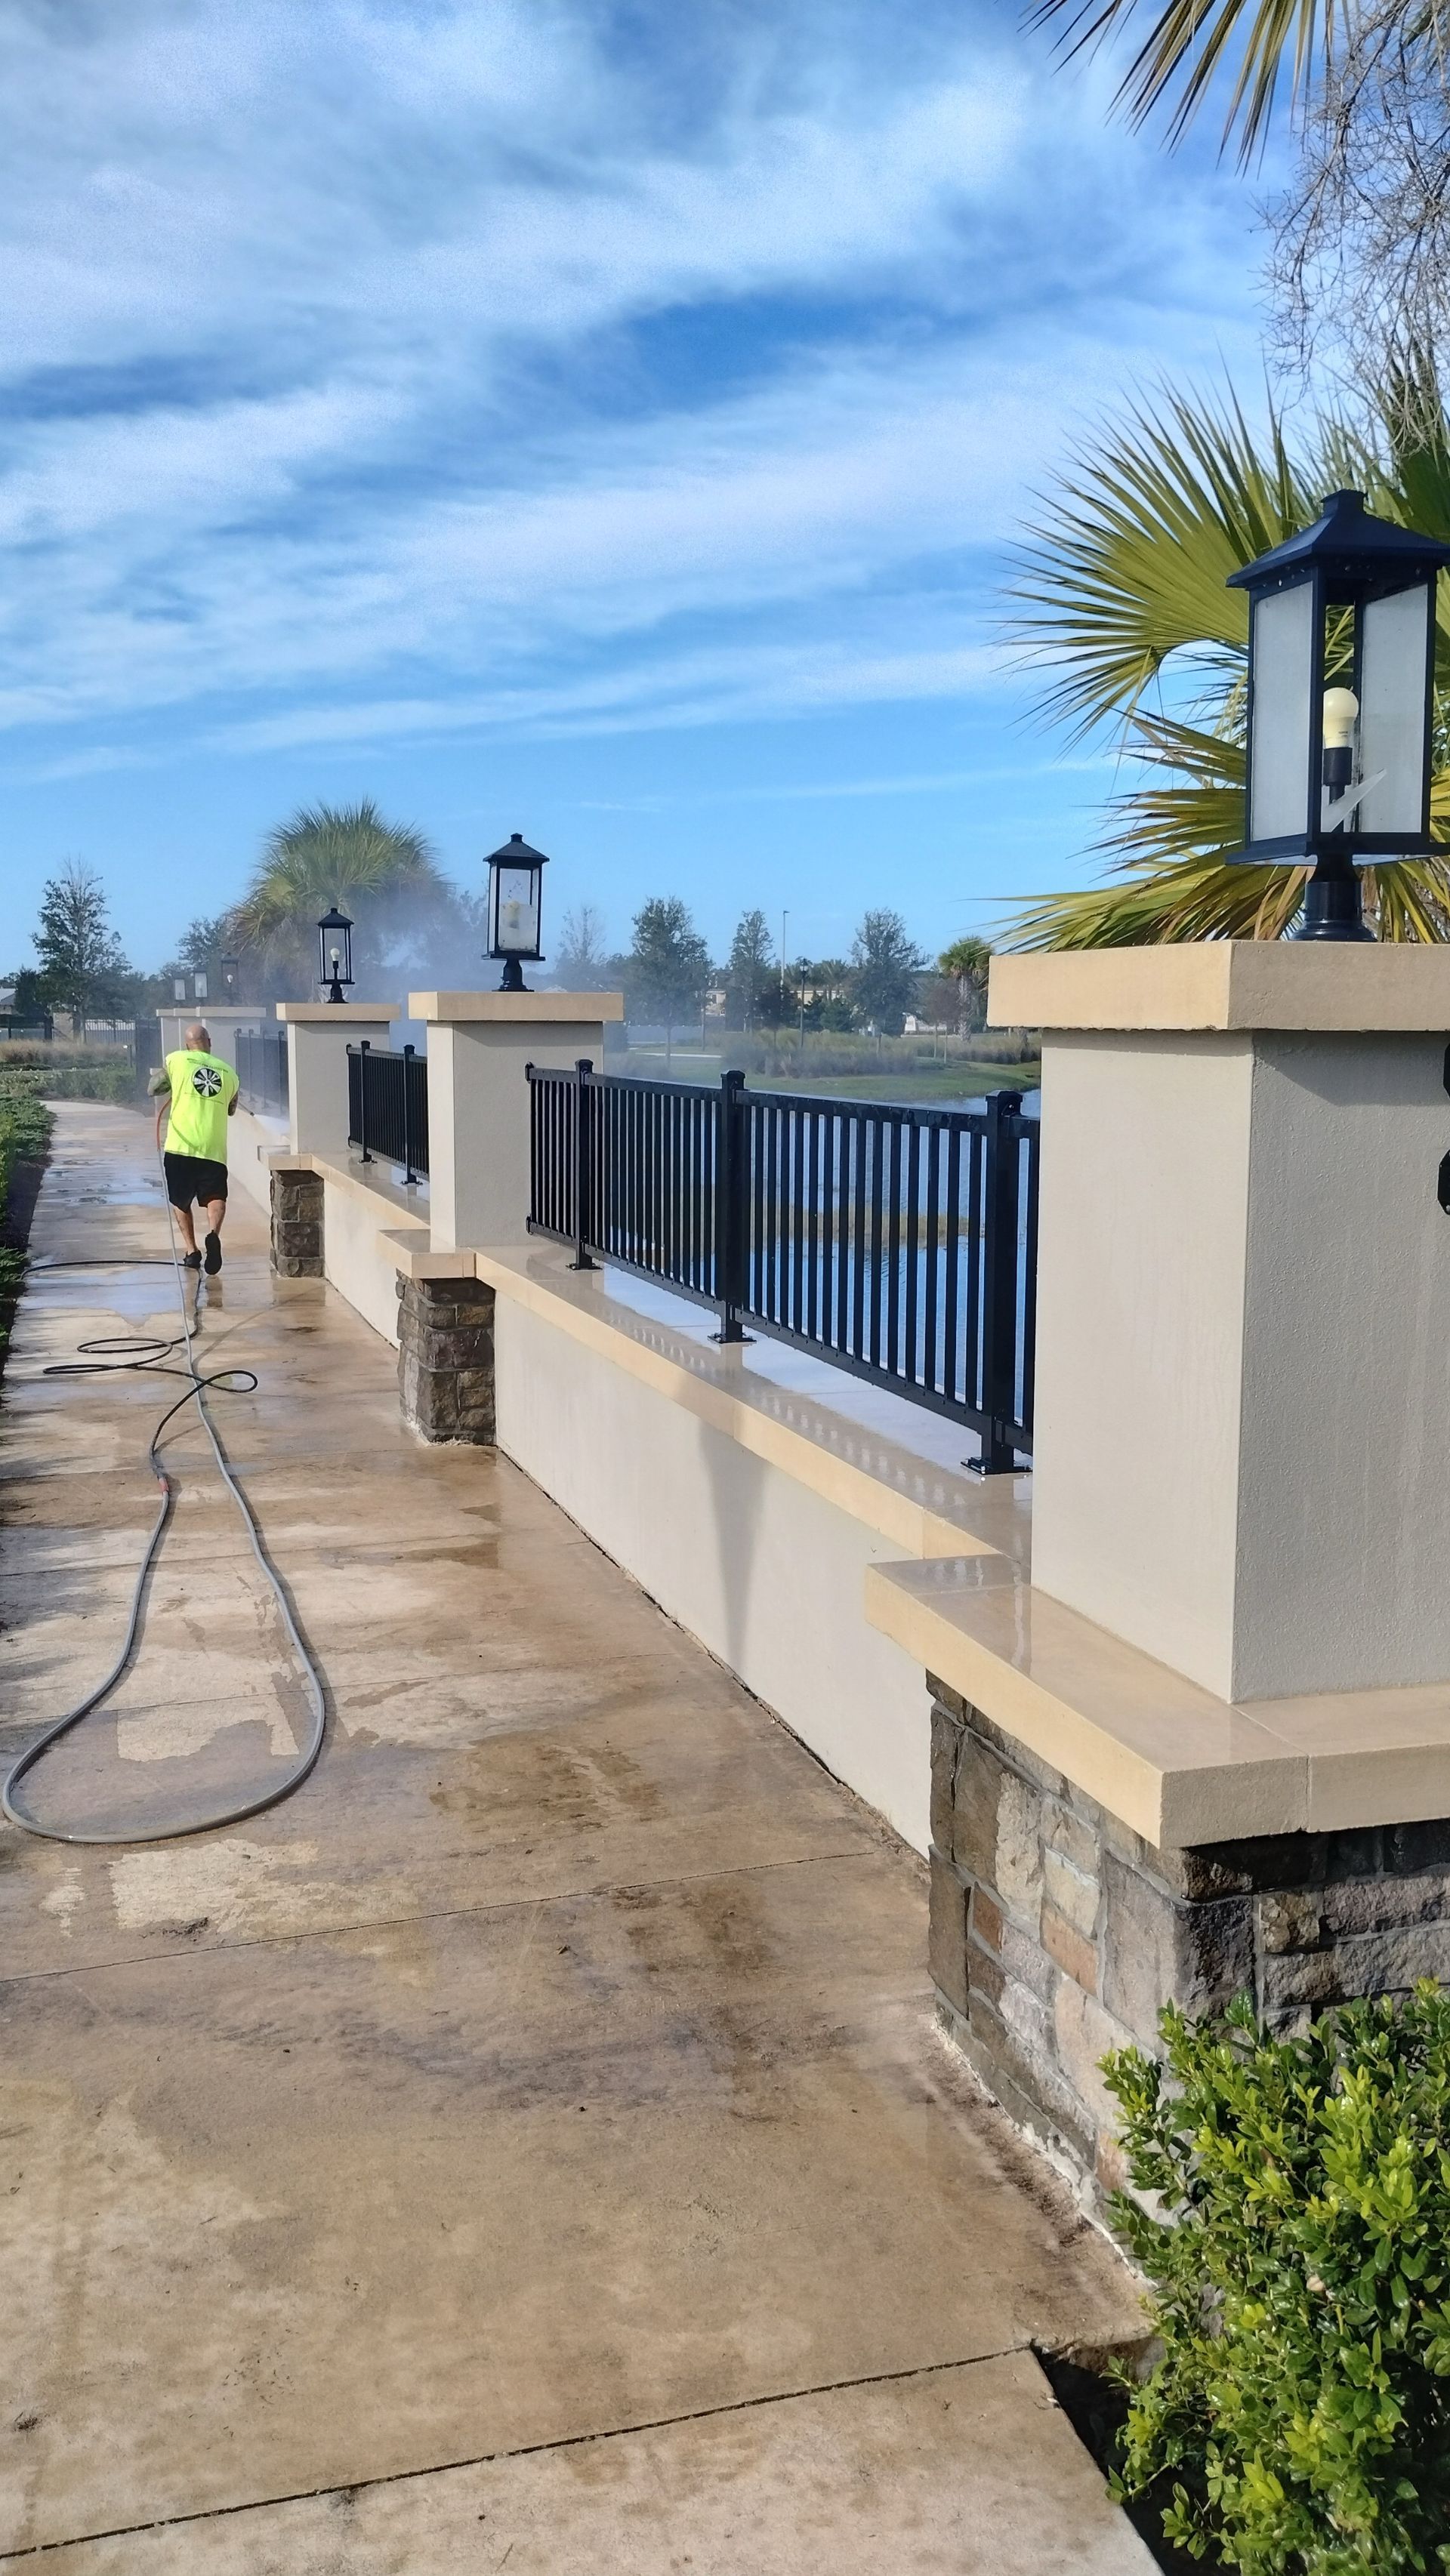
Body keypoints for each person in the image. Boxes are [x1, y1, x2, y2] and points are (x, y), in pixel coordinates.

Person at [148, 1021, 239, 1273]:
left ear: (187, 1046)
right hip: (213, 1148)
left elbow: (153, 1089)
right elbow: (231, 1110)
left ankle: (192, 1251)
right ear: (209, 1043)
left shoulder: (177, 1060)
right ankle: (213, 1234)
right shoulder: (229, 1073)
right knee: (215, 1197)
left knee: (181, 1200)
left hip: (181, 1146)